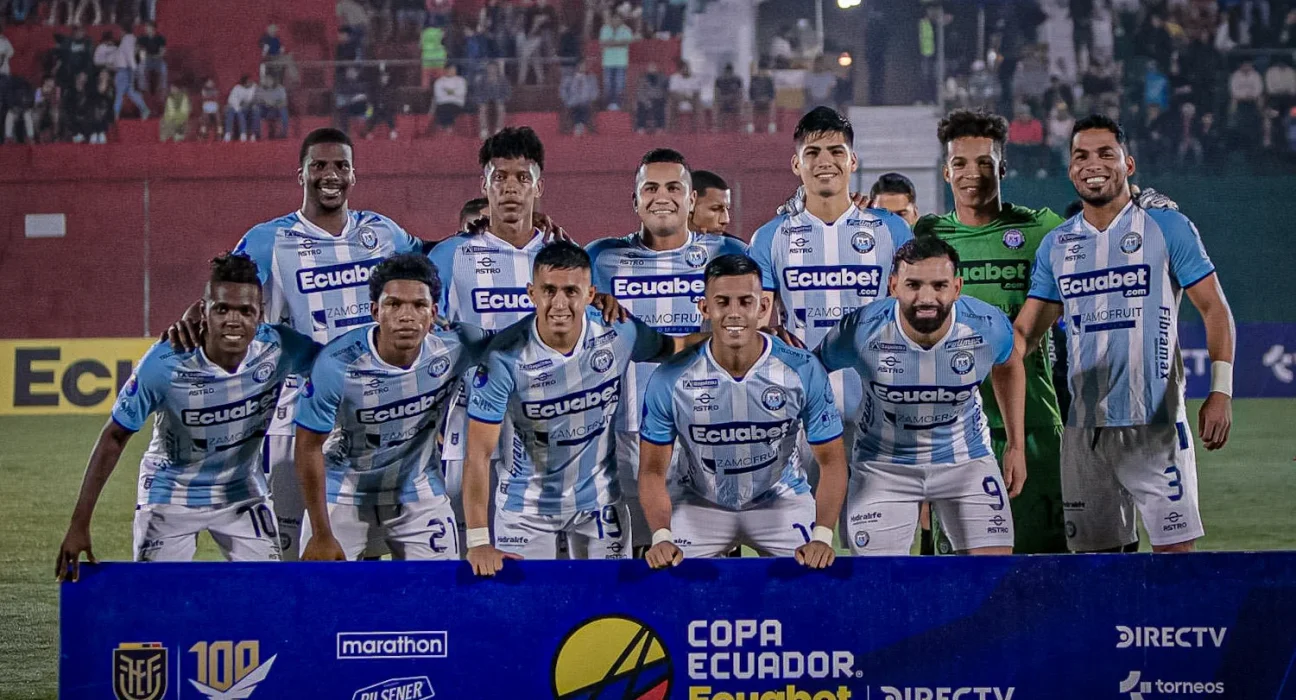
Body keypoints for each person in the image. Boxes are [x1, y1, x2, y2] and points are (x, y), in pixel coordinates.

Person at [164, 129, 427, 561]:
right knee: (292, 548)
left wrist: (479, 229)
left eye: (341, 166)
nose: (330, 175)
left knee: (366, 543)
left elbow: (431, 257)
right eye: (319, 165)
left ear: (354, 175)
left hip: (374, 409)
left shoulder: (382, 232)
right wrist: (195, 313)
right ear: (301, 174)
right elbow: (228, 288)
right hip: (296, 411)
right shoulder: (269, 238)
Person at [1014, 115, 1235, 553]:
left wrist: (1221, 391)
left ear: (1128, 164)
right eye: (1081, 156)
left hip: (1156, 426)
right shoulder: (1057, 245)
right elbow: (1026, 332)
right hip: (1084, 430)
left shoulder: (1167, 226)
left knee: (1175, 558)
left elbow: (1215, 308)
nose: (1092, 164)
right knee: (1096, 566)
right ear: (1071, 169)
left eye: (1105, 154)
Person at [55, 253, 319, 579]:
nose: (233, 320)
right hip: (170, 495)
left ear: (260, 315)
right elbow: (114, 436)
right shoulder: (165, 362)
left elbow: (335, 367)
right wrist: (79, 524)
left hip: (241, 493)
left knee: (270, 592)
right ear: (203, 311)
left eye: (245, 311)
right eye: (222, 309)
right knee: (159, 597)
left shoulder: (280, 348)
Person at [462, 242, 701, 576]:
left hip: (600, 504)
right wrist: (477, 541)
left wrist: (743, 338)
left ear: (590, 294)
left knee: (610, 602)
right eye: (549, 290)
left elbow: (675, 346)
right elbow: (477, 454)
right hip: (524, 510)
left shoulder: (620, 332)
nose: (559, 304)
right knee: (528, 603)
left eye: (571, 291)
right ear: (532, 293)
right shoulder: (504, 357)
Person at [815, 236, 1025, 555]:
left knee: (992, 575)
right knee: (878, 580)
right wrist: (823, 439)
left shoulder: (987, 325)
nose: (926, 298)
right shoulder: (860, 329)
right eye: (913, 285)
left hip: (966, 461)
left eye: (939, 286)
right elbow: (813, 371)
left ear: (957, 288)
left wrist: (1015, 446)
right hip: (883, 467)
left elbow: (1009, 365)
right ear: (893, 286)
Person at [586, 150, 748, 556]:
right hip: (625, 434)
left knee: (710, 560)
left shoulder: (728, 253)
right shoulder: (600, 257)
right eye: (651, 188)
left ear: (692, 200)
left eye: (674, 188)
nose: (662, 197)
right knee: (638, 557)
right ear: (635, 200)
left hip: (709, 433)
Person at [639, 254, 846, 568]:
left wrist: (822, 535)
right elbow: (652, 470)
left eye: (745, 302)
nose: (734, 313)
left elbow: (832, 462)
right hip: (699, 503)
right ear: (704, 308)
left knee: (813, 577)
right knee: (668, 577)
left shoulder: (803, 369)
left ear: (762, 307)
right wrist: (661, 536)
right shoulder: (670, 377)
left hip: (780, 499)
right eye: (722, 302)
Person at [750, 107, 913, 497]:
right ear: (796, 164)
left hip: (879, 401)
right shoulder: (770, 237)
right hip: (801, 405)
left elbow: (912, 314)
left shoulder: (892, 229)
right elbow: (758, 324)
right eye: (813, 152)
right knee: (800, 522)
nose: (825, 161)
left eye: (836, 151)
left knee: (875, 522)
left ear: (853, 160)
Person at [295, 254, 491, 561]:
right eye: (394, 304)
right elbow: (308, 447)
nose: (406, 316)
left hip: (419, 494)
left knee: (438, 590)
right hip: (343, 495)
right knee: (321, 589)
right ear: (375, 310)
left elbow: (521, 341)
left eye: (418, 305)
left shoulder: (457, 346)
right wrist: (321, 533)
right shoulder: (336, 364)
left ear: (433, 313)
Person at [111, 21, 148, 120]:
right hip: (126, 69)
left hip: (124, 70)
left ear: (123, 30)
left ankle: (115, 115)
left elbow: (129, 55)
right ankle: (144, 109)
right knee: (131, 92)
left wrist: (134, 69)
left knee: (119, 93)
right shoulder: (129, 39)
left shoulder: (127, 40)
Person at [598, 13, 633, 110]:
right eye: (614, 19)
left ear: (621, 20)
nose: (615, 21)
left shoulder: (626, 29)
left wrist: (611, 43)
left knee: (619, 85)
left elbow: (627, 42)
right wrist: (618, 43)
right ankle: (607, 105)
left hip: (621, 62)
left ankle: (618, 105)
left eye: (618, 19)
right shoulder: (605, 29)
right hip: (607, 62)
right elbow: (603, 43)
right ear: (611, 19)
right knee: (608, 85)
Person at [559, 59, 598, 135]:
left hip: (586, 100)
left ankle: (579, 125)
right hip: (572, 100)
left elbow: (595, 90)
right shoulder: (569, 78)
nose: (582, 68)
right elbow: (562, 90)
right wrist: (565, 99)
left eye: (584, 66)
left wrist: (592, 99)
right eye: (581, 66)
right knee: (576, 107)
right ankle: (579, 125)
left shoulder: (591, 77)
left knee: (583, 107)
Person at [689, 169, 732, 234]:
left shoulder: (731, 241)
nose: (726, 220)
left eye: (727, 208)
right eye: (715, 208)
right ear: (690, 203)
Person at [476, 61, 510, 140]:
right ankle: (484, 130)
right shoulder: (482, 79)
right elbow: (478, 92)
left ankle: (499, 129)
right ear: (487, 69)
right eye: (490, 68)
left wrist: (503, 99)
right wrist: (481, 100)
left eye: (493, 68)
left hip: (499, 99)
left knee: (501, 108)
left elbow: (507, 92)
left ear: (497, 69)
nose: (492, 70)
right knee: (482, 108)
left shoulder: (503, 79)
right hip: (484, 99)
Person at [431, 64, 466, 135]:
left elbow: (461, 93)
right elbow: (438, 95)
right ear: (446, 70)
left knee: (449, 109)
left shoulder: (461, 80)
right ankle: (448, 128)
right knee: (444, 109)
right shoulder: (439, 81)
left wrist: (447, 91)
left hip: (456, 103)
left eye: (454, 69)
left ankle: (445, 127)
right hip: (442, 103)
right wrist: (453, 92)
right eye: (451, 69)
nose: (452, 71)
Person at [667, 60, 701, 133]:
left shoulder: (694, 77)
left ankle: (696, 128)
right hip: (678, 99)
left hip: (691, 99)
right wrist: (684, 97)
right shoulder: (674, 77)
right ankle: (671, 128)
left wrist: (689, 97)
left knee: (697, 102)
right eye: (683, 68)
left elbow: (697, 92)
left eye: (687, 68)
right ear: (680, 69)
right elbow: (672, 92)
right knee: (671, 102)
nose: (685, 70)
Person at [254, 74, 290, 140]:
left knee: (284, 110)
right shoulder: (260, 88)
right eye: (265, 80)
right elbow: (257, 100)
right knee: (256, 110)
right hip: (265, 109)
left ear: (273, 81)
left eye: (269, 80)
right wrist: (265, 102)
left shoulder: (280, 88)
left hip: (276, 109)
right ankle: (257, 134)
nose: (267, 82)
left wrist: (275, 104)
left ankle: (283, 133)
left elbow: (284, 102)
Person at [634, 62, 667, 134]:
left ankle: (660, 127)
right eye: (650, 68)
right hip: (646, 99)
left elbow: (664, 91)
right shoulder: (643, 79)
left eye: (654, 68)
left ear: (657, 69)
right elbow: (640, 93)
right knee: (641, 105)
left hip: (658, 99)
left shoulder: (662, 78)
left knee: (659, 105)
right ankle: (641, 127)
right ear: (647, 69)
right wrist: (647, 102)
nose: (652, 69)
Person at [135, 20, 165, 96]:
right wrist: (137, 49)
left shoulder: (160, 38)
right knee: (140, 68)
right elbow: (139, 50)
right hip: (146, 59)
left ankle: (161, 89)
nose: (145, 28)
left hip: (157, 59)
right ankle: (143, 89)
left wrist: (156, 56)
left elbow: (162, 52)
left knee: (164, 69)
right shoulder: (142, 38)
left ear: (153, 28)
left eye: (147, 27)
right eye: (145, 27)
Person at [712, 63, 743, 132]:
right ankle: (718, 127)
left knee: (739, 104)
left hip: (733, 101)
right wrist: (717, 101)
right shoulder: (719, 80)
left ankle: (738, 127)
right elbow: (716, 92)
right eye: (727, 71)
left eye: (729, 71)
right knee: (718, 105)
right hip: (723, 101)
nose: (728, 73)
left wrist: (737, 100)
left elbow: (740, 92)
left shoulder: (737, 79)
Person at [223, 75, 256, 142]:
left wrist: (240, 107)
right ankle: (228, 134)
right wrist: (238, 108)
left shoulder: (254, 87)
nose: (250, 83)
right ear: (244, 83)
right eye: (248, 82)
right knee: (230, 110)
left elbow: (250, 100)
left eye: (251, 81)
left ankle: (243, 134)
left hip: (247, 108)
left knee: (240, 112)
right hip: (237, 107)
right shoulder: (237, 88)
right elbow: (231, 100)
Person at [747, 65, 776, 135]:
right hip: (756, 100)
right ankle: (751, 125)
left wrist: (766, 98)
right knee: (750, 105)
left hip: (766, 100)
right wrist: (755, 98)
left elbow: (772, 92)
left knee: (772, 104)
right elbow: (751, 91)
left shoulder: (769, 80)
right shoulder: (754, 79)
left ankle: (771, 125)